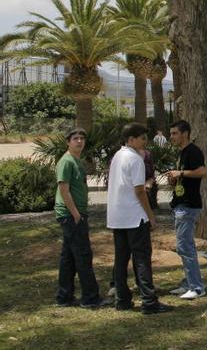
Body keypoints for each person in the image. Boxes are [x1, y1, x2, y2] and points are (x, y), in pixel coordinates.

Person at [107, 123, 173, 315]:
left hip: (118, 217)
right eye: (142, 138)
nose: (146, 141)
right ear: (130, 139)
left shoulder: (117, 156)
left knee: (121, 259)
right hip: (134, 217)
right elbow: (139, 190)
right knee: (142, 259)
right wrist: (150, 215)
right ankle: (149, 301)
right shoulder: (135, 159)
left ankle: (122, 300)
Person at [54, 127, 106, 309]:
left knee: (68, 257)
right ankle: (90, 298)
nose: (79, 141)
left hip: (75, 213)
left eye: (82, 138)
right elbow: (63, 189)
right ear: (68, 141)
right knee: (83, 255)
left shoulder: (78, 161)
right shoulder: (66, 162)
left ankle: (64, 296)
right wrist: (76, 213)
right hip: (71, 215)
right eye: (75, 138)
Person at [164, 120, 207, 300]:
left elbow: (202, 171)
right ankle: (188, 283)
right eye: (171, 133)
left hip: (188, 206)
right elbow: (185, 176)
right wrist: (174, 179)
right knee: (183, 247)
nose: (172, 137)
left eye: (175, 133)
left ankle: (197, 288)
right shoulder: (182, 153)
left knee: (185, 247)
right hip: (180, 204)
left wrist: (180, 173)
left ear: (185, 133)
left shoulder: (193, 151)